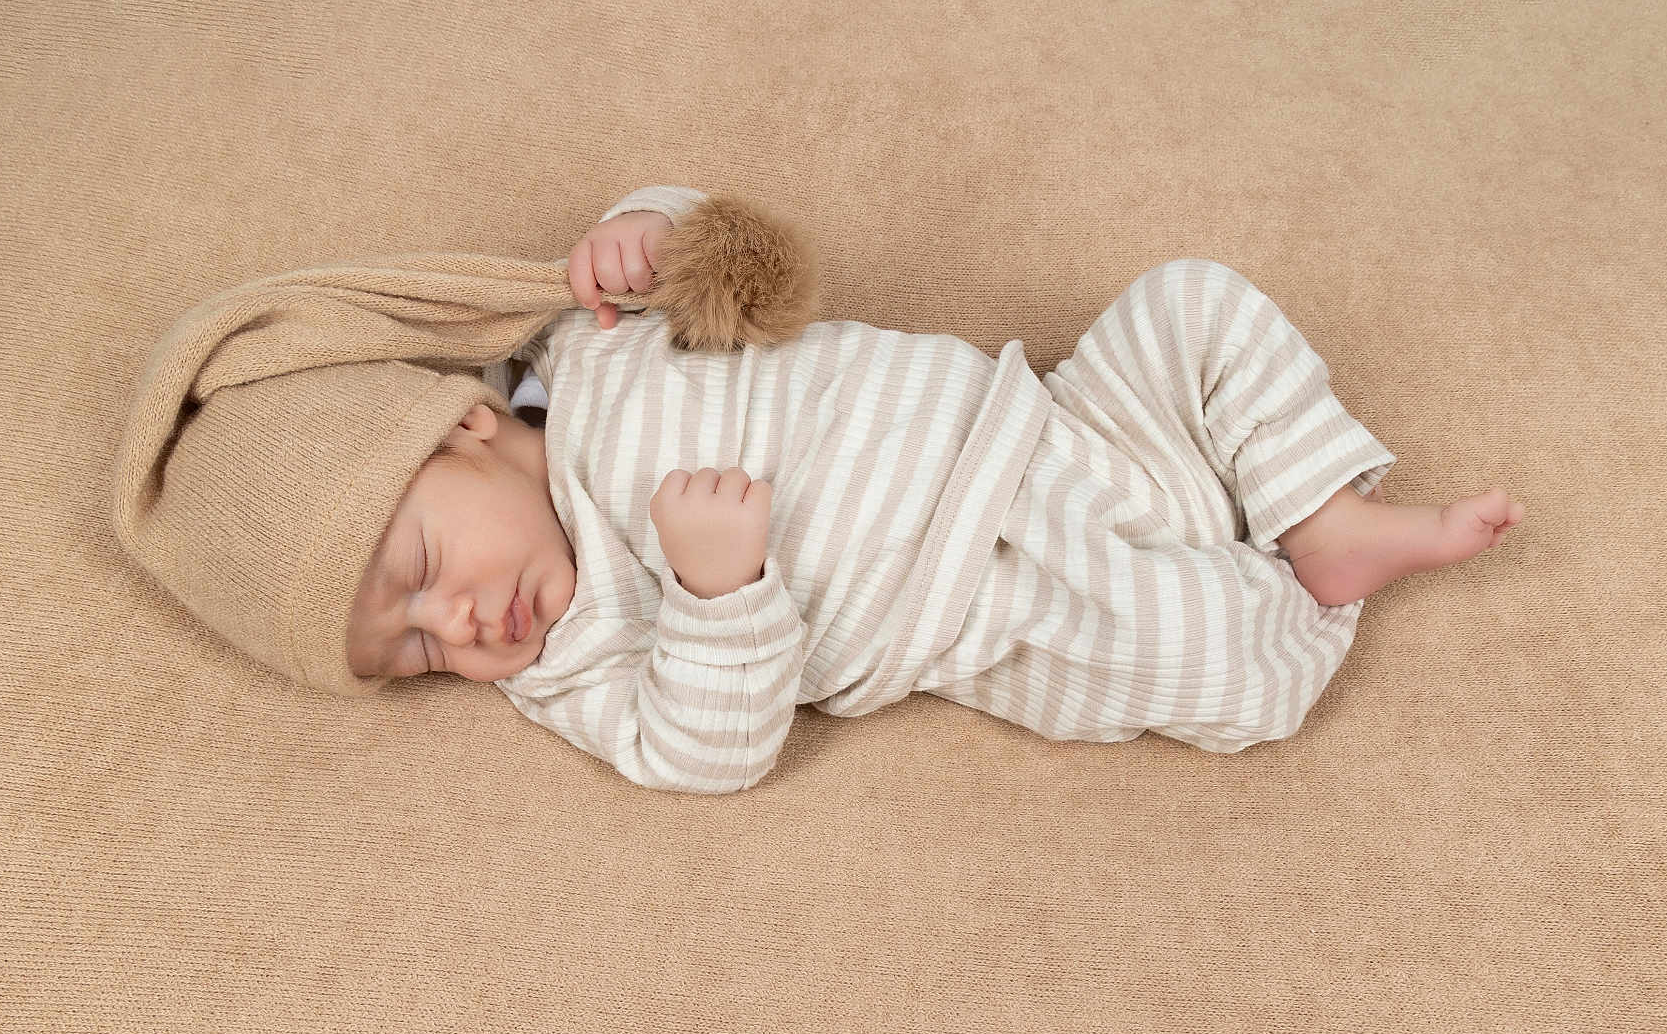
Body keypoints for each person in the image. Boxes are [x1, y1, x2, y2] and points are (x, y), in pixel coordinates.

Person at [333, 187, 1525, 791]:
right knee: (1209, 658)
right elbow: (697, 752)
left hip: (1046, 421)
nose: (462, 629)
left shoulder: (585, 335)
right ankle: (1298, 582)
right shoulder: (570, 660)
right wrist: (716, 593)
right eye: (424, 654)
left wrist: (648, 227)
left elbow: (713, 258)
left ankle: (1322, 515)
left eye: (424, 577)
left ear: (467, 427)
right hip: (984, 599)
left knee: (1190, 302)